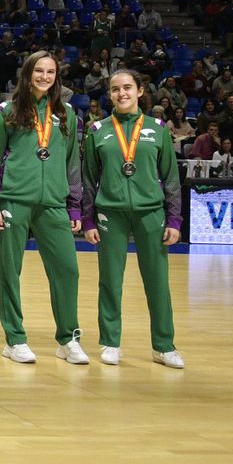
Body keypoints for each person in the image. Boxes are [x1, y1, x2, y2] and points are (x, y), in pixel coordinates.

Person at [0, 51, 87, 366]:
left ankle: (68, 339)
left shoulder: (68, 114)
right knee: (10, 271)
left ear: (57, 77)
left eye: (51, 72)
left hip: (54, 203)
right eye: (38, 71)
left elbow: (73, 164)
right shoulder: (7, 111)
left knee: (67, 270)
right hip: (14, 199)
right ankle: (14, 339)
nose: (44, 76)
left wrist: (74, 207)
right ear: (27, 73)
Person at [82, 69, 184, 368]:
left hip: (151, 212)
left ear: (140, 90)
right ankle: (110, 342)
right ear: (109, 94)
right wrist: (88, 220)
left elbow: (171, 178)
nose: (121, 94)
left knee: (157, 282)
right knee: (110, 281)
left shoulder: (158, 128)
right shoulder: (97, 129)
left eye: (127, 88)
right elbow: (88, 178)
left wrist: (174, 220)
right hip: (110, 213)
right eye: (115, 89)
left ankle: (164, 346)